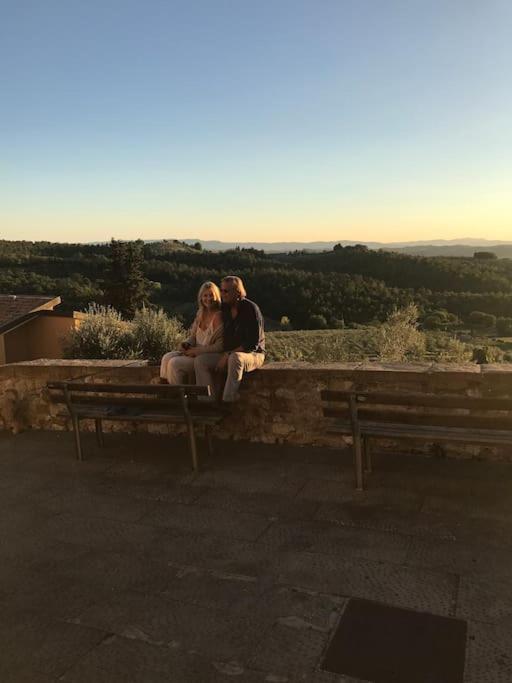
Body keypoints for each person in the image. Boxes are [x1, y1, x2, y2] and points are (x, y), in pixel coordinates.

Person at [194, 275, 265, 402]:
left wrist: (228, 354)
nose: (222, 294)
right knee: (201, 361)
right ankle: (207, 401)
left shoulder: (250, 309)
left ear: (237, 292)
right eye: (221, 290)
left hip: (253, 354)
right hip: (228, 354)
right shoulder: (225, 309)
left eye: (226, 291)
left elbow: (252, 344)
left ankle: (228, 400)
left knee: (235, 358)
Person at [160, 281, 223, 385]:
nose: (208, 299)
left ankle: (177, 393)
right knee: (166, 357)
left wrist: (196, 351)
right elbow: (193, 337)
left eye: (211, 295)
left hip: (205, 356)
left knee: (174, 363)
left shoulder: (219, 316)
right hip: (193, 352)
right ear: (201, 297)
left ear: (216, 296)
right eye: (205, 295)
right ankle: (164, 389)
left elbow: (219, 347)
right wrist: (186, 344)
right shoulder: (200, 313)